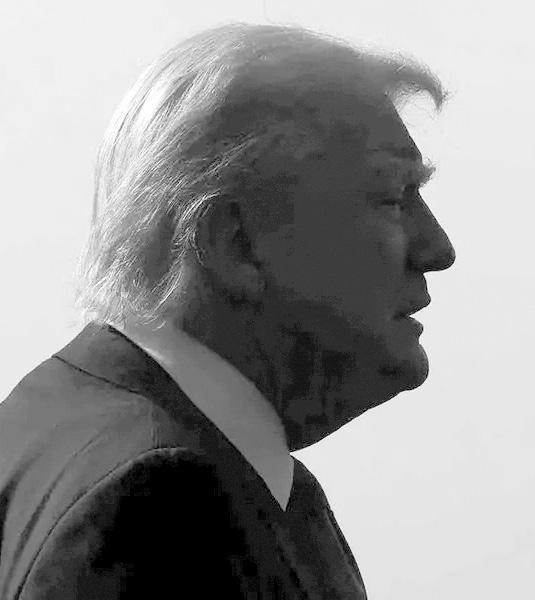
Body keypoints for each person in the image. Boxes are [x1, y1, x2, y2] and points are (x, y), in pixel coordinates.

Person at [0, 22, 456, 599]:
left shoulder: (42, 436)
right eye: (392, 197)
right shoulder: (165, 504)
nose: (438, 249)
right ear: (234, 243)